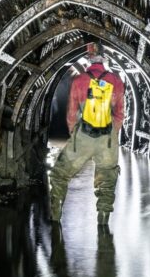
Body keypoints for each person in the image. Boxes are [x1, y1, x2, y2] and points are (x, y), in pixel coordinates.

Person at [49, 50, 125, 226]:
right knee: (107, 179)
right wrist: (111, 133)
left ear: (88, 61)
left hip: (83, 135)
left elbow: (71, 114)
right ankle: (103, 220)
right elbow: (120, 114)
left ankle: (55, 214)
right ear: (104, 60)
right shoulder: (116, 80)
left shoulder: (79, 80)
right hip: (107, 138)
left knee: (60, 173)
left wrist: (75, 135)